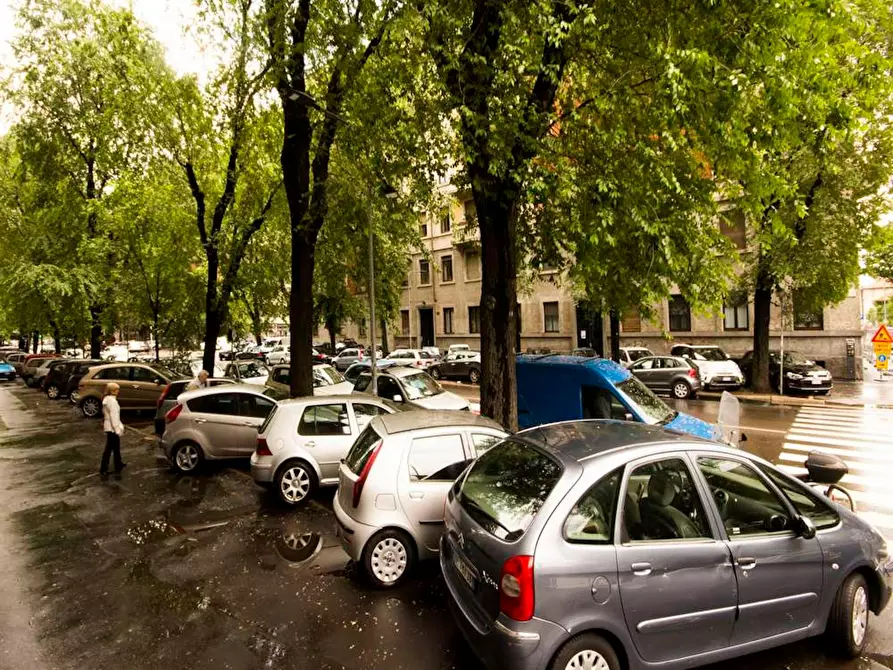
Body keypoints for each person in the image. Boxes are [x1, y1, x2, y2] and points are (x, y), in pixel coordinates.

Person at [100, 382, 125, 474]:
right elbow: (114, 417)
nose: (118, 391)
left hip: (109, 426)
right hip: (112, 428)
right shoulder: (112, 402)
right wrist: (117, 429)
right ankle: (104, 468)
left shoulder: (107, 399)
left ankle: (118, 463)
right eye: (117, 389)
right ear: (113, 391)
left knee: (115, 447)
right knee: (110, 448)